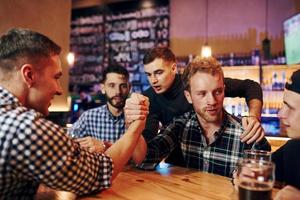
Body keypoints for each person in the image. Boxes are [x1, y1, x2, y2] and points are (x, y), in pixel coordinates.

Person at [0, 28, 148, 199]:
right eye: (56, 77)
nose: (60, 89)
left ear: (128, 87)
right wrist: (136, 127)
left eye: (122, 86)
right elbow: (99, 173)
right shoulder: (25, 127)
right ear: (29, 75)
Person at [130, 56, 270, 177]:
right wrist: (132, 123)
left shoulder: (248, 135)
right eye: (202, 94)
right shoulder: (180, 126)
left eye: (218, 92)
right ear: (188, 96)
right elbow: (145, 160)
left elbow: (267, 183)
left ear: (224, 90)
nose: (212, 101)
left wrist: (254, 116)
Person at [70, 64, 131, 153]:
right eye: (112, 85)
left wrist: (104, 146)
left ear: (129, 87)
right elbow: (68, 140)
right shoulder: (90, 117)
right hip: (99, 166)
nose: (118, 91)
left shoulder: (136, 118)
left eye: (123, 86)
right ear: (103, 87)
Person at [272, 69, 300, 200]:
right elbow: (259, 168)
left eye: (291, 107)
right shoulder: (293, 148)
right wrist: (240, 174)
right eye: (284, 104)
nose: (280, 114)